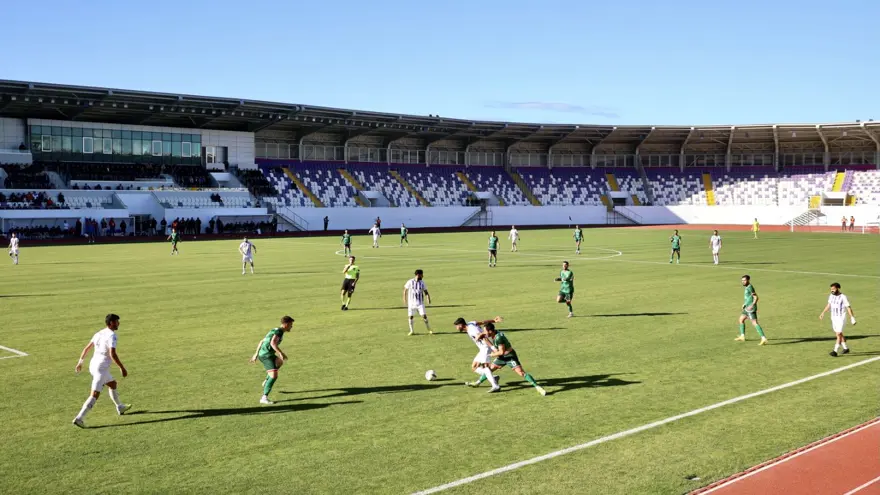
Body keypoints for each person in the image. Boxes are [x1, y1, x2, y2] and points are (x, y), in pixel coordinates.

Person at [72, 314, 131, 428]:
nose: (119, 323)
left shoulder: (99, 333)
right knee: (94, 395)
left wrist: (80, 362)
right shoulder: (112, 336)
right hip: (101, 369)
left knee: (112, 384)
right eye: (117, 322)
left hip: (93, 366)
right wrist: (122, 367)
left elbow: (87, 348)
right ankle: (79, 418)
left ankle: (120, 406)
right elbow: (112, 354)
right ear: (111, 323)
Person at [480, 322, 546, 396]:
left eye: (485, 331)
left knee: (521, 373)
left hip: (509, 357)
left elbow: (501, 352)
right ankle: (477, 383)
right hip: (502, 357)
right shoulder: (495, 333)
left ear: (490, 331)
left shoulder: (498, 338)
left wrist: (492, 354)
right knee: (488, 370)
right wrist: (485, 339)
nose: (484, 333)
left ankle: (538, 387)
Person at [249, 316, 294, 404]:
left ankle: (266, 380)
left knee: (279, 362)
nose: (291, 327)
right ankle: (264, 398)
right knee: (274, 376)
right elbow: (272, 343)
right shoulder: (279, 332)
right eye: (291, 325)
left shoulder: (274, 330)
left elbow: (262, 341)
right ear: (286, 324)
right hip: (266, 355)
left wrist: (256, 354)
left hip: (267, 354)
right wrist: (280, 353)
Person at [455, 316, 504, 392]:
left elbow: (484, 337)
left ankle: (495, 386)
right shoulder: (470, 323)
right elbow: (482, 322)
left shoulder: (472, 331)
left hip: (485, 348)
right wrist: (493, 320)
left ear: (461, 325)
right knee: (474, 367)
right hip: (482, 349)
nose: (456, 328)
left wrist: (493, 348)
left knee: (485, 367)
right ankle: (493, 377)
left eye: (457, 326)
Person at [819, 283, 857, 357]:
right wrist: (823, 312)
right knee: (838, 333)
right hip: (833, 317)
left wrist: (852, 318)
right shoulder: (831, 296)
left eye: (833, 289)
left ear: (838, 288)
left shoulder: (843, 297)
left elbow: (848, 307)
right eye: (831, 289)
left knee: (839, 333)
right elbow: (829, 305)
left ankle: (835, 351)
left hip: (841, 318)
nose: (832, 290)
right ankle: (846, 348)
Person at [735, 275, 768, 345]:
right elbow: (748, 297)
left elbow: (756, 297)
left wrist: (752, 305)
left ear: (748, 280)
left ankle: (763, 338)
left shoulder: (750, 287)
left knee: (754, 323)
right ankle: (742, 336)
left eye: (744, 280)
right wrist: (745, 304)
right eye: (742, 280)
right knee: (741, 319)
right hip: (746, 307)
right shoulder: (747, 287)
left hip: (750, 309)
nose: (743, 282)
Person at [403, 269, 432, 336]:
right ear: (418, 275)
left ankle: (429, 329)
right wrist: (404, 299)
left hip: (420, 303)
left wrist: (428, 298)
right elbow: (405, 290)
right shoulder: (410, 282)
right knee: (410, 317)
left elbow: (426, 292)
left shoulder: (422, 283)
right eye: (422, 274)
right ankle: (412, 331)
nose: (423, 276)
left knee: (424, 316)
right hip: (411, 304)